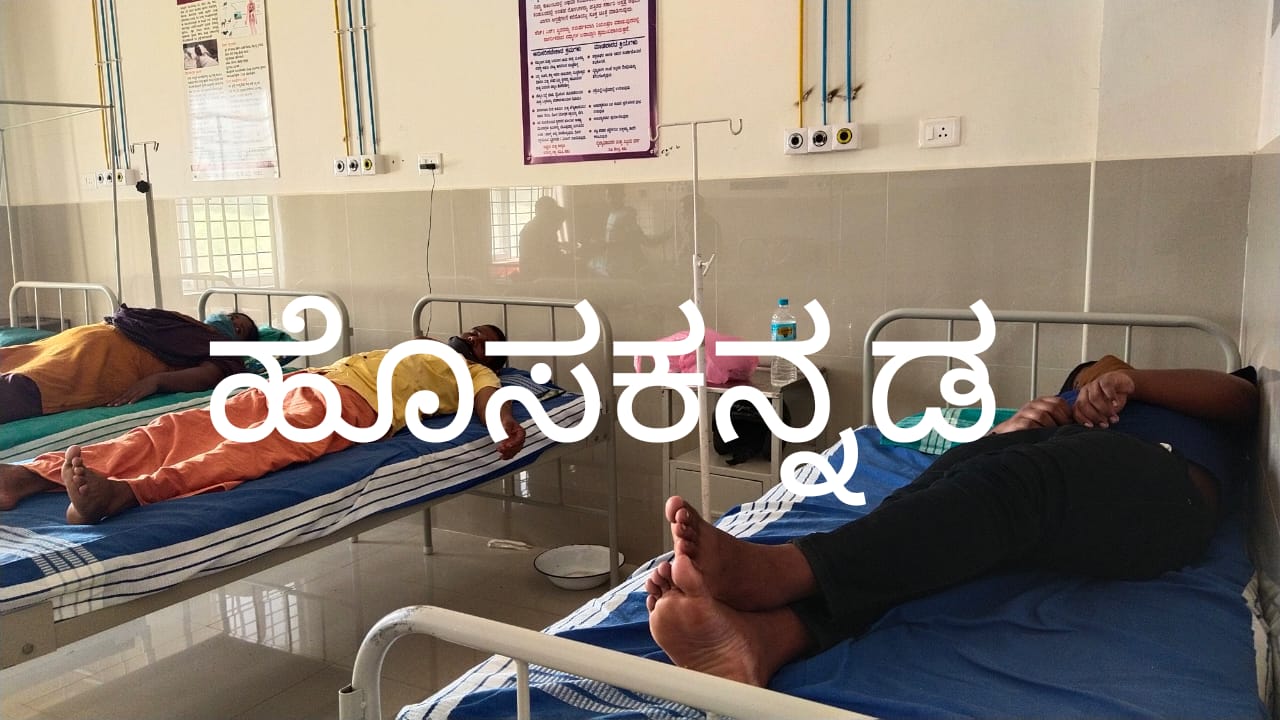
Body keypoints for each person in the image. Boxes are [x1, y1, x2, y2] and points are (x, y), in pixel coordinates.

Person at [644, 356, 1259, 686]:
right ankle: (770, 639)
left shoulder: (1177, 401)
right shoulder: (1068, 412)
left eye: (1099, 376)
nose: (1091, 384)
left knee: (1011, 484)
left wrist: (1131, 379)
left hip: (1160, 483)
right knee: (931, 505)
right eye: (1083, 379)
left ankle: (780, 570)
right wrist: (1015, 427)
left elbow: (1244, 398)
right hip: (1063, 469)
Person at [0, 325, 526, 525]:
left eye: (484, 339)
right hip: (302, 381)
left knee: (249, 448)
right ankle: (29, 476)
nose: (471, 336)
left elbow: (491, 401)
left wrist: (505, 425)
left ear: (491, 359)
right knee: (179, 426)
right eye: (473, 329)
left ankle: (126, 494)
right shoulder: (414, 346)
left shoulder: (472, 373)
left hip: (347, 406)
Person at [0, 306, 260, 424]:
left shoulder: (227, 352)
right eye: (233, 317)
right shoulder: (189, 324)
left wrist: (156, 381)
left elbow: (208, 375)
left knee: (31, 384)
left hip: (109, 358)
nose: (232, 322)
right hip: (93, 334)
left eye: (239, 328)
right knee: (17, 357)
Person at [519, 196, 568, 280]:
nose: (559, 227)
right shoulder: (531, 230)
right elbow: (541, 254)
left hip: (543, 271)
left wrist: (561, 245)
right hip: (536, 275)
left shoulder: (545, 227)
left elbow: (549, 246)